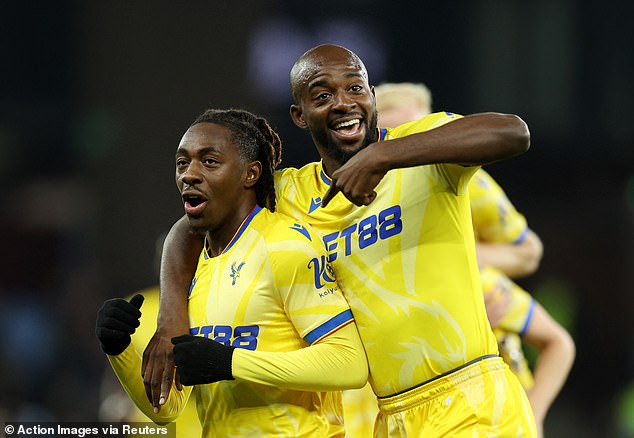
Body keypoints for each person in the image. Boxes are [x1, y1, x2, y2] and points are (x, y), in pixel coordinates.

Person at [144, 45, 537, 436]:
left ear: (371, 96)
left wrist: (382, 156)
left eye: (355, 88)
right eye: (322, 96)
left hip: (473, 399)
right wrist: (170, 322)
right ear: (299, 115)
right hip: (390, 416)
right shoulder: (292, 196)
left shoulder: (424, 153)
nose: (343, 103)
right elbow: (190, 226)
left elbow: (513, 132)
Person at [95, 108, 369, 437]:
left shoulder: (284, 246)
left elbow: (349, 363)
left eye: (209, 162)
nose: (189, 175)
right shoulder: (193, 268)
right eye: (183, 163)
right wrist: (119, 349)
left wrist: (230, 362)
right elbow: (167, 409)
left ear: (250, 174)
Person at [373, 81, 576, 437]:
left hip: (493, 416)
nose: (407, 145)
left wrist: (459, 257)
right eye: (393, 134)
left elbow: (529, 251)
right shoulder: (359, 223)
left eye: (417, 130)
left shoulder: (461, 180)